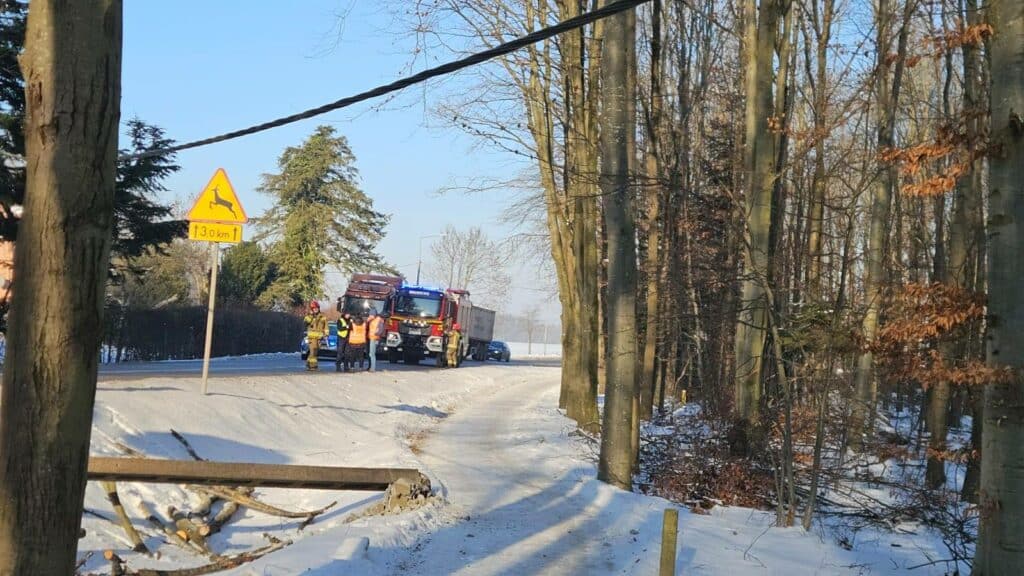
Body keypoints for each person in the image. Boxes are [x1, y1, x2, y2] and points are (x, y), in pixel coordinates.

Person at [303, 301, 327, 371]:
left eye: (317, 308)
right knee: (313, 351)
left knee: (315, 352)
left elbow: (326, 326)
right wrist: (311, 316)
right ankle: (313, 366)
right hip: (312, 337)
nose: (316, 309)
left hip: (319, 337)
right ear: (312, 309)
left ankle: (308, 364)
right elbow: (305, 323)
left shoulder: (323, 317)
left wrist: (326, 334)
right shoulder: (308, 317)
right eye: (314, 308)